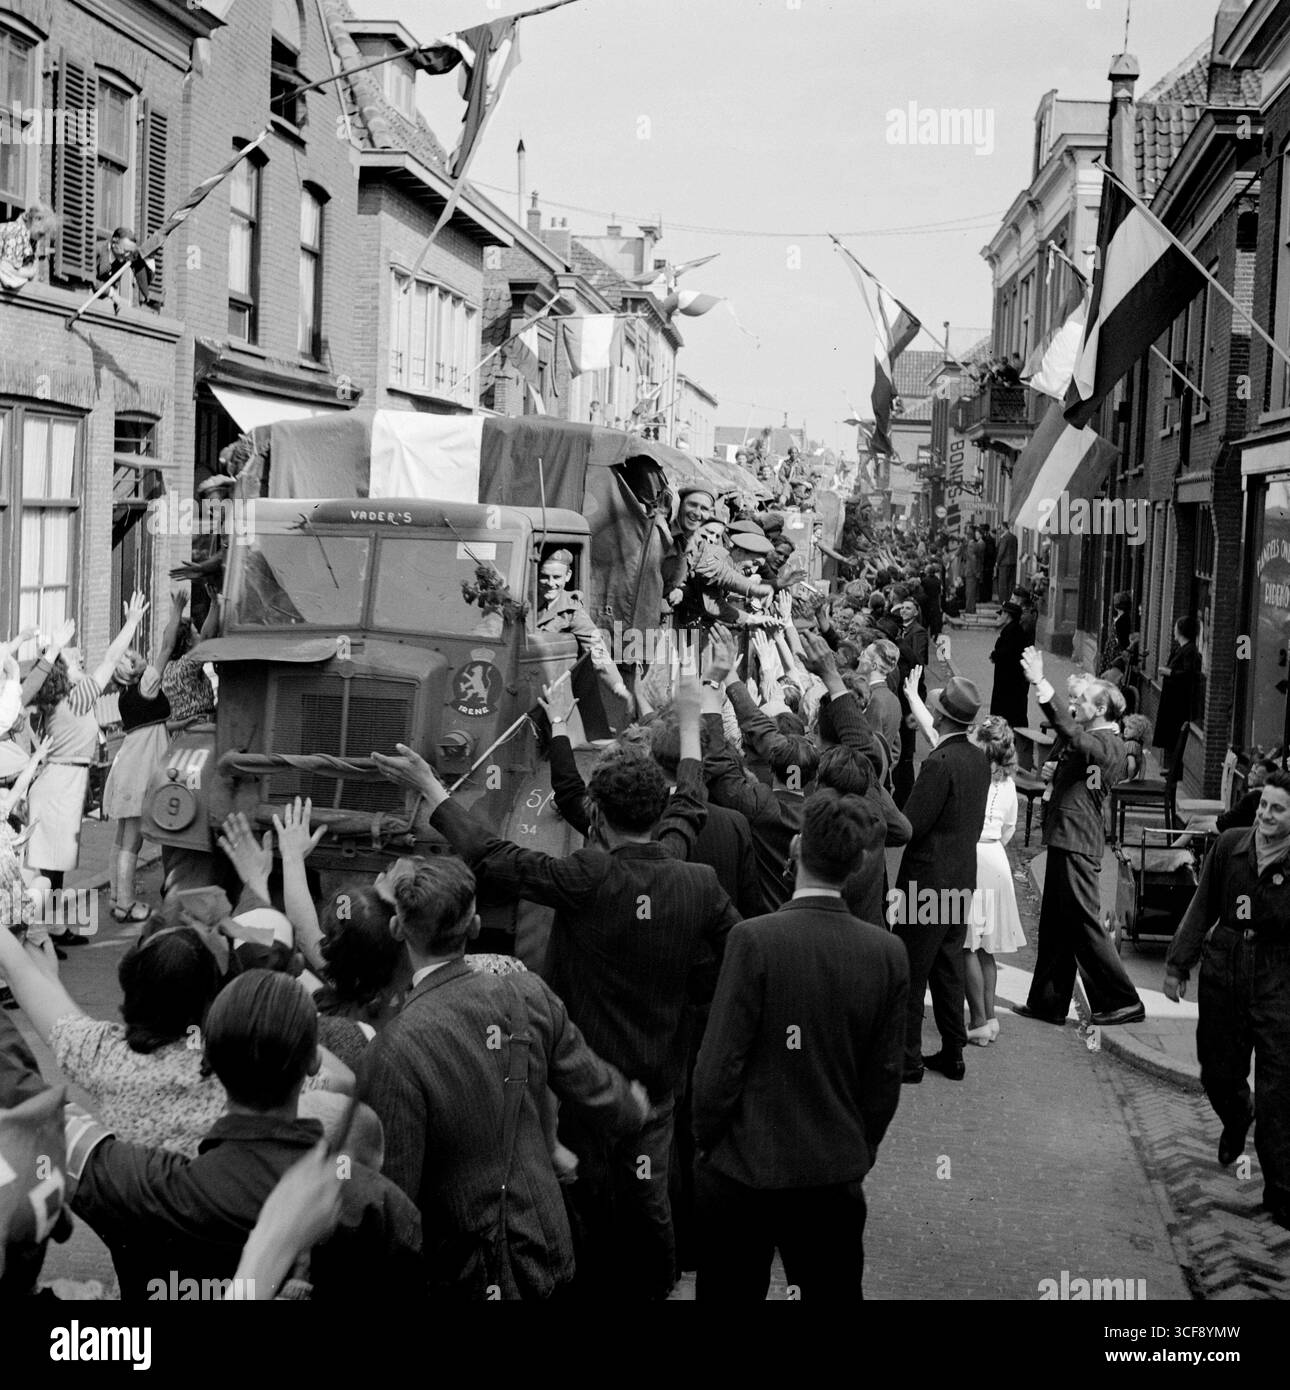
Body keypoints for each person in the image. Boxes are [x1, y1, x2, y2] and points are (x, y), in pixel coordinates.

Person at [372, 672, 738, 1301]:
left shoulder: (582, 877)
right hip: (660, 1072)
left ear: (597, 813)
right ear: (657, 811)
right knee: (649, 1200)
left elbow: (490, 856)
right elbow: (693, 799)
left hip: (582, 1073)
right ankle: (657, 1285)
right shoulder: (693, 875)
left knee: (583, 1195)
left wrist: (430, 786)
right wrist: (687, 723)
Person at [0, 966, 423, 1301]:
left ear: (212, 1061)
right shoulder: (378, 1208)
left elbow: (46, 1121)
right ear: (313, 1064)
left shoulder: (141, 1188)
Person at [357, 856, 650, 1298]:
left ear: (400, 931)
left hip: (464, 1265)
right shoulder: (527, 993)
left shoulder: (393, 1049)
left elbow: (398, 1197)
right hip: (548, 1240)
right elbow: (593, 1087)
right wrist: (633, 1105)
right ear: (474, 925)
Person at [692, 789, 910, 1302]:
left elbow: (718, 1066)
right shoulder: (886, 953)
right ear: (859, 863)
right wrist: (858, 1148)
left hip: (744, 1170)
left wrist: (710, 1143)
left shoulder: (753, 940)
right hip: (831, 1174)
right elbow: (883, 1081)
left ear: (796, 847)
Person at [1163, 771, 1290, 1228]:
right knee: (1218, 1072)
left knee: (1281, 1093)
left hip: (1279, 979)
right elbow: (1202, 907)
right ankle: (1237, 1116)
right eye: (1263, 806)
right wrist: (1179, 964)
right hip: (1225, 972)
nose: (1266, 816)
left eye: (1278, 809)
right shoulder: (1231, 846)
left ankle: (1281, 1191)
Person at [1015, 647, 1145, 1026]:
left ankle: (1123, 999)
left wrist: (1041, 682)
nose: (1077, 705)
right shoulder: (1095, 737)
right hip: (1066, 838)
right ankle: (1048, 1002)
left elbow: (1069, 732)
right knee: (1056, 923)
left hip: (1078, 841)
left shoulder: (1107, 744)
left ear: (1102, 709)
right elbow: (1067, 742)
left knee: (1085, 923)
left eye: (1083, 701)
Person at [26, 593, 150, 932]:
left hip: (61, 782)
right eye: (78, 663)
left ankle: (51, 929)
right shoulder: (76, 699)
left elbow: (114, 668)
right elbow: (111, 658)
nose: (83, 663)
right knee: (49, 867)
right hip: (62, 783)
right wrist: (133, 622)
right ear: (66, 675)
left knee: (53, 866)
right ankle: (41, 934)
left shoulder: (64, 698)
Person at [890, 675, 990, 1082]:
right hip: (962, 876)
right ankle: (953, 1052)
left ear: (938, 714)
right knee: (947, 967)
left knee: (912, 969)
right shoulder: (978, 758)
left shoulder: (937, 764)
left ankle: (908, 1059)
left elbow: (910, 825)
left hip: (928, 880)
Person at [961, 717, 1026, 1043]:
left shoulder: (974, 777)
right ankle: (989, 1018)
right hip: (996, 860)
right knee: (986, 949)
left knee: (966, 945)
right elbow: (1009, 829)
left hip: (974, 857)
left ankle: (978, 1023)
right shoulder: (1009, 785)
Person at [102, 638, 171, 922]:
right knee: (133, 841)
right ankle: (126, 905)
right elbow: (165, 648)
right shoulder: (146, 686)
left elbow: (155, 724)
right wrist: (177, 610)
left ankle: (117, 896)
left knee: (122, 837)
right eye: (134, 657)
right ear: (130, 669)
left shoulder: (127, 694)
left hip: (129, 767)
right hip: (140, 772)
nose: (140, 657)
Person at [536, 547, 631, 706]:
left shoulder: (572, 611)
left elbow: (596, 648)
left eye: (556, 577)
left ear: (568, 576)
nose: (550, 583)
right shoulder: (527, 601)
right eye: (545, 577)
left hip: (550, 687)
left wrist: (617, 686)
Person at [1153, 615, 1201, 771]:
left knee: (1174, 735)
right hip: (1172, 700)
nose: (1173, 630)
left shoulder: (1189, 651)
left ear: (1180, 630)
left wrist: (1169, 672)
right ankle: (1171, 767)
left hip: (1178, 703)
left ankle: (1175, 769)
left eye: (1175, 627)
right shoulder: (1180, 649)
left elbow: (1188, 674)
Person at [989, 601, 1029, 728]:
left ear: (1007, 615)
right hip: (1010, 684)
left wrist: (995, 655)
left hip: (1008, 685)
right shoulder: (1013, 630)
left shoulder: (1013, 632)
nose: (999, 616)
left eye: (1001, 613)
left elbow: (1007, 653)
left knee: (1007, 716)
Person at [0, 202, 58, 289]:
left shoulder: (28, 238)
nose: (41, 238)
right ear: (34, 219)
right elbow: (7, 271)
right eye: (41, 234)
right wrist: (30, 272)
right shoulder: (18, 231)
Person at [1217, 757, 1277, 831]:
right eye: (1251, 771)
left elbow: (1224, 823)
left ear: (1267, 778)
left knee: (1198, 822)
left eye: (1254, 773)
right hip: (1225, 823)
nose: (1249, 775)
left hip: (1225, 828)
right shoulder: (1255, 794)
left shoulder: (1255, 796)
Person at [994, 525, 1018, 605]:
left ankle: (1003, 602)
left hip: (1004, 564)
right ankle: (1008, 600)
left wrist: (997, 562)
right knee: (1010, 583)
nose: (998, 531)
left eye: (999, 529)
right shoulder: (1014, 537)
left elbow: (1001, 551)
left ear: (1004, 528)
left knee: (1003, 584)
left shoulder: (1004, 538)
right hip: (1013, 563)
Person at [964, 528, 984, 615]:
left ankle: (970, 609)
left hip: (971, 572)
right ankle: (971, 608)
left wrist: (976, 572)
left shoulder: (971, 544)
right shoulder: (974, 544)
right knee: (970, 591)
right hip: (972, 571)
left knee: (970, 591)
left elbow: (973, 559)